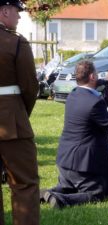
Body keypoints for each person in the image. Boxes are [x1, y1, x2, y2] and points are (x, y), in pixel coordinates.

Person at [41, 60, 108, 208]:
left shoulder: (73, 95)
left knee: (71, 187)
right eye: (97, 74)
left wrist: (107, 81)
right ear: (92, 76)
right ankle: (60, 200)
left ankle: (46, 193)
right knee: (96, 193)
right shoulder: (94, 102)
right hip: (83, 164)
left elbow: (94, 106)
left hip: (66, 162)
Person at [0, 1, 40, 225]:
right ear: (4, 11)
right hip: (12, 122)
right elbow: (30, 87)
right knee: (24, 184)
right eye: (17, 11)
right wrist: (20, 114)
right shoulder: (15, 42)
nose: (19, 17)